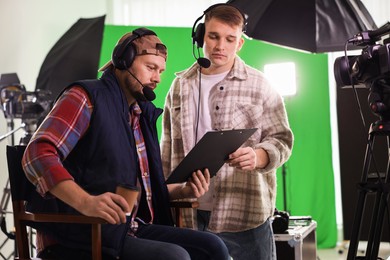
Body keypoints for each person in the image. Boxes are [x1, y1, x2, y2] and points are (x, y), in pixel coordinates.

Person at [22, 27, 230, 260]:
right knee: (175, 256)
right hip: (83, 233)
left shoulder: (140, 115)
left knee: (213, 246)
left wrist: (183, 190)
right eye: (150, 68)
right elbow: (37, 154)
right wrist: (86, 202)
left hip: (130, 228)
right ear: (123, 61)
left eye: (160, 71)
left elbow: (142, 194)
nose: (157, 78)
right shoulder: (85, 97)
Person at [160, 4, 293, 260]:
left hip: (245, 214)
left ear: (239, 43)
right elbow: (167, 153)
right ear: (201, 37)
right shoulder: (179, 86)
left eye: (229, 39)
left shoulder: (261, 85)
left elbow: (282, 140)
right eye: (213, 36)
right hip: (190, 213)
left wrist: (259, 156)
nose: (221, 45)